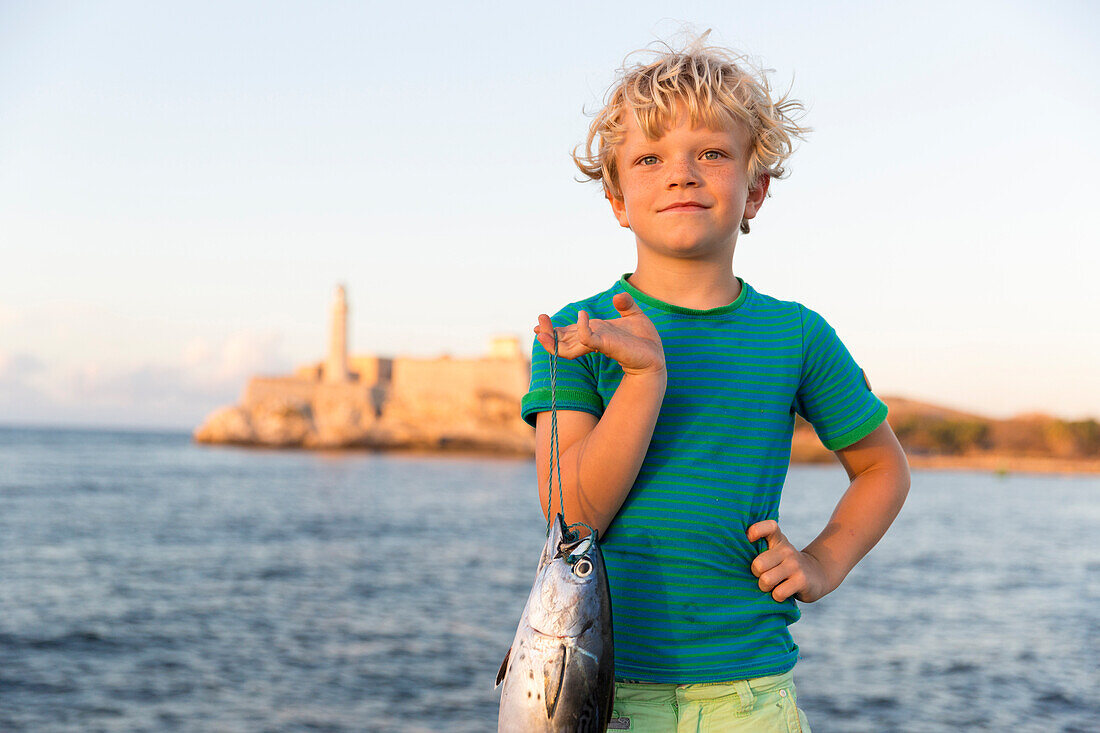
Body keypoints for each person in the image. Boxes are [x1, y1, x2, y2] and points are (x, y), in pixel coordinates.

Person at [520, 33, 911, 732]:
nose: (682, 173)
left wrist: (822, 563)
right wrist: (643, 378)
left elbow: (883, 467)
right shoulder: (577, 330)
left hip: (750, 693)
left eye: (711, 152)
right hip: (593, 686)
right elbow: (570, 518)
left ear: (754, 190)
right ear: (617, 198)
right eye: (650, 157)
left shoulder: (796, 335)